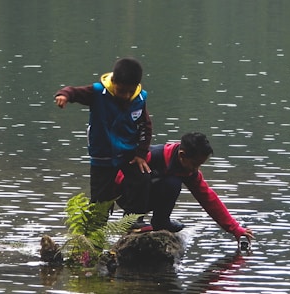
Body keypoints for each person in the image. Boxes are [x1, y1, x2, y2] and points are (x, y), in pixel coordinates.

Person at [54, 57, 152, 224]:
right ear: (113, 82)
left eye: (131, 91)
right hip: (103, 155)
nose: (126, 96)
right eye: (122, 91)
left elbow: (145, 126)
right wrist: (64, 95)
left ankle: (134, 221)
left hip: (129, 153)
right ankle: (95, 232)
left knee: (141, 179)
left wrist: (141, 153)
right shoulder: (98, 92)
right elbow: (74, 92)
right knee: (100, 197)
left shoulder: (139, 99)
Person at [118, 132, 254, 242]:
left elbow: (209, 199)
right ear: (182, 155)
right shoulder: (151, 156)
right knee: (152, 179)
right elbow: (119, 175)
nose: (196, 169)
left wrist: (235, 229)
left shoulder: (189, 172)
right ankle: (134, 222)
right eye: (194, 164)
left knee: (172, 183)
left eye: (200, 165)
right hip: (127, 195)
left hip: (146, 195)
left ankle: (161, 222)